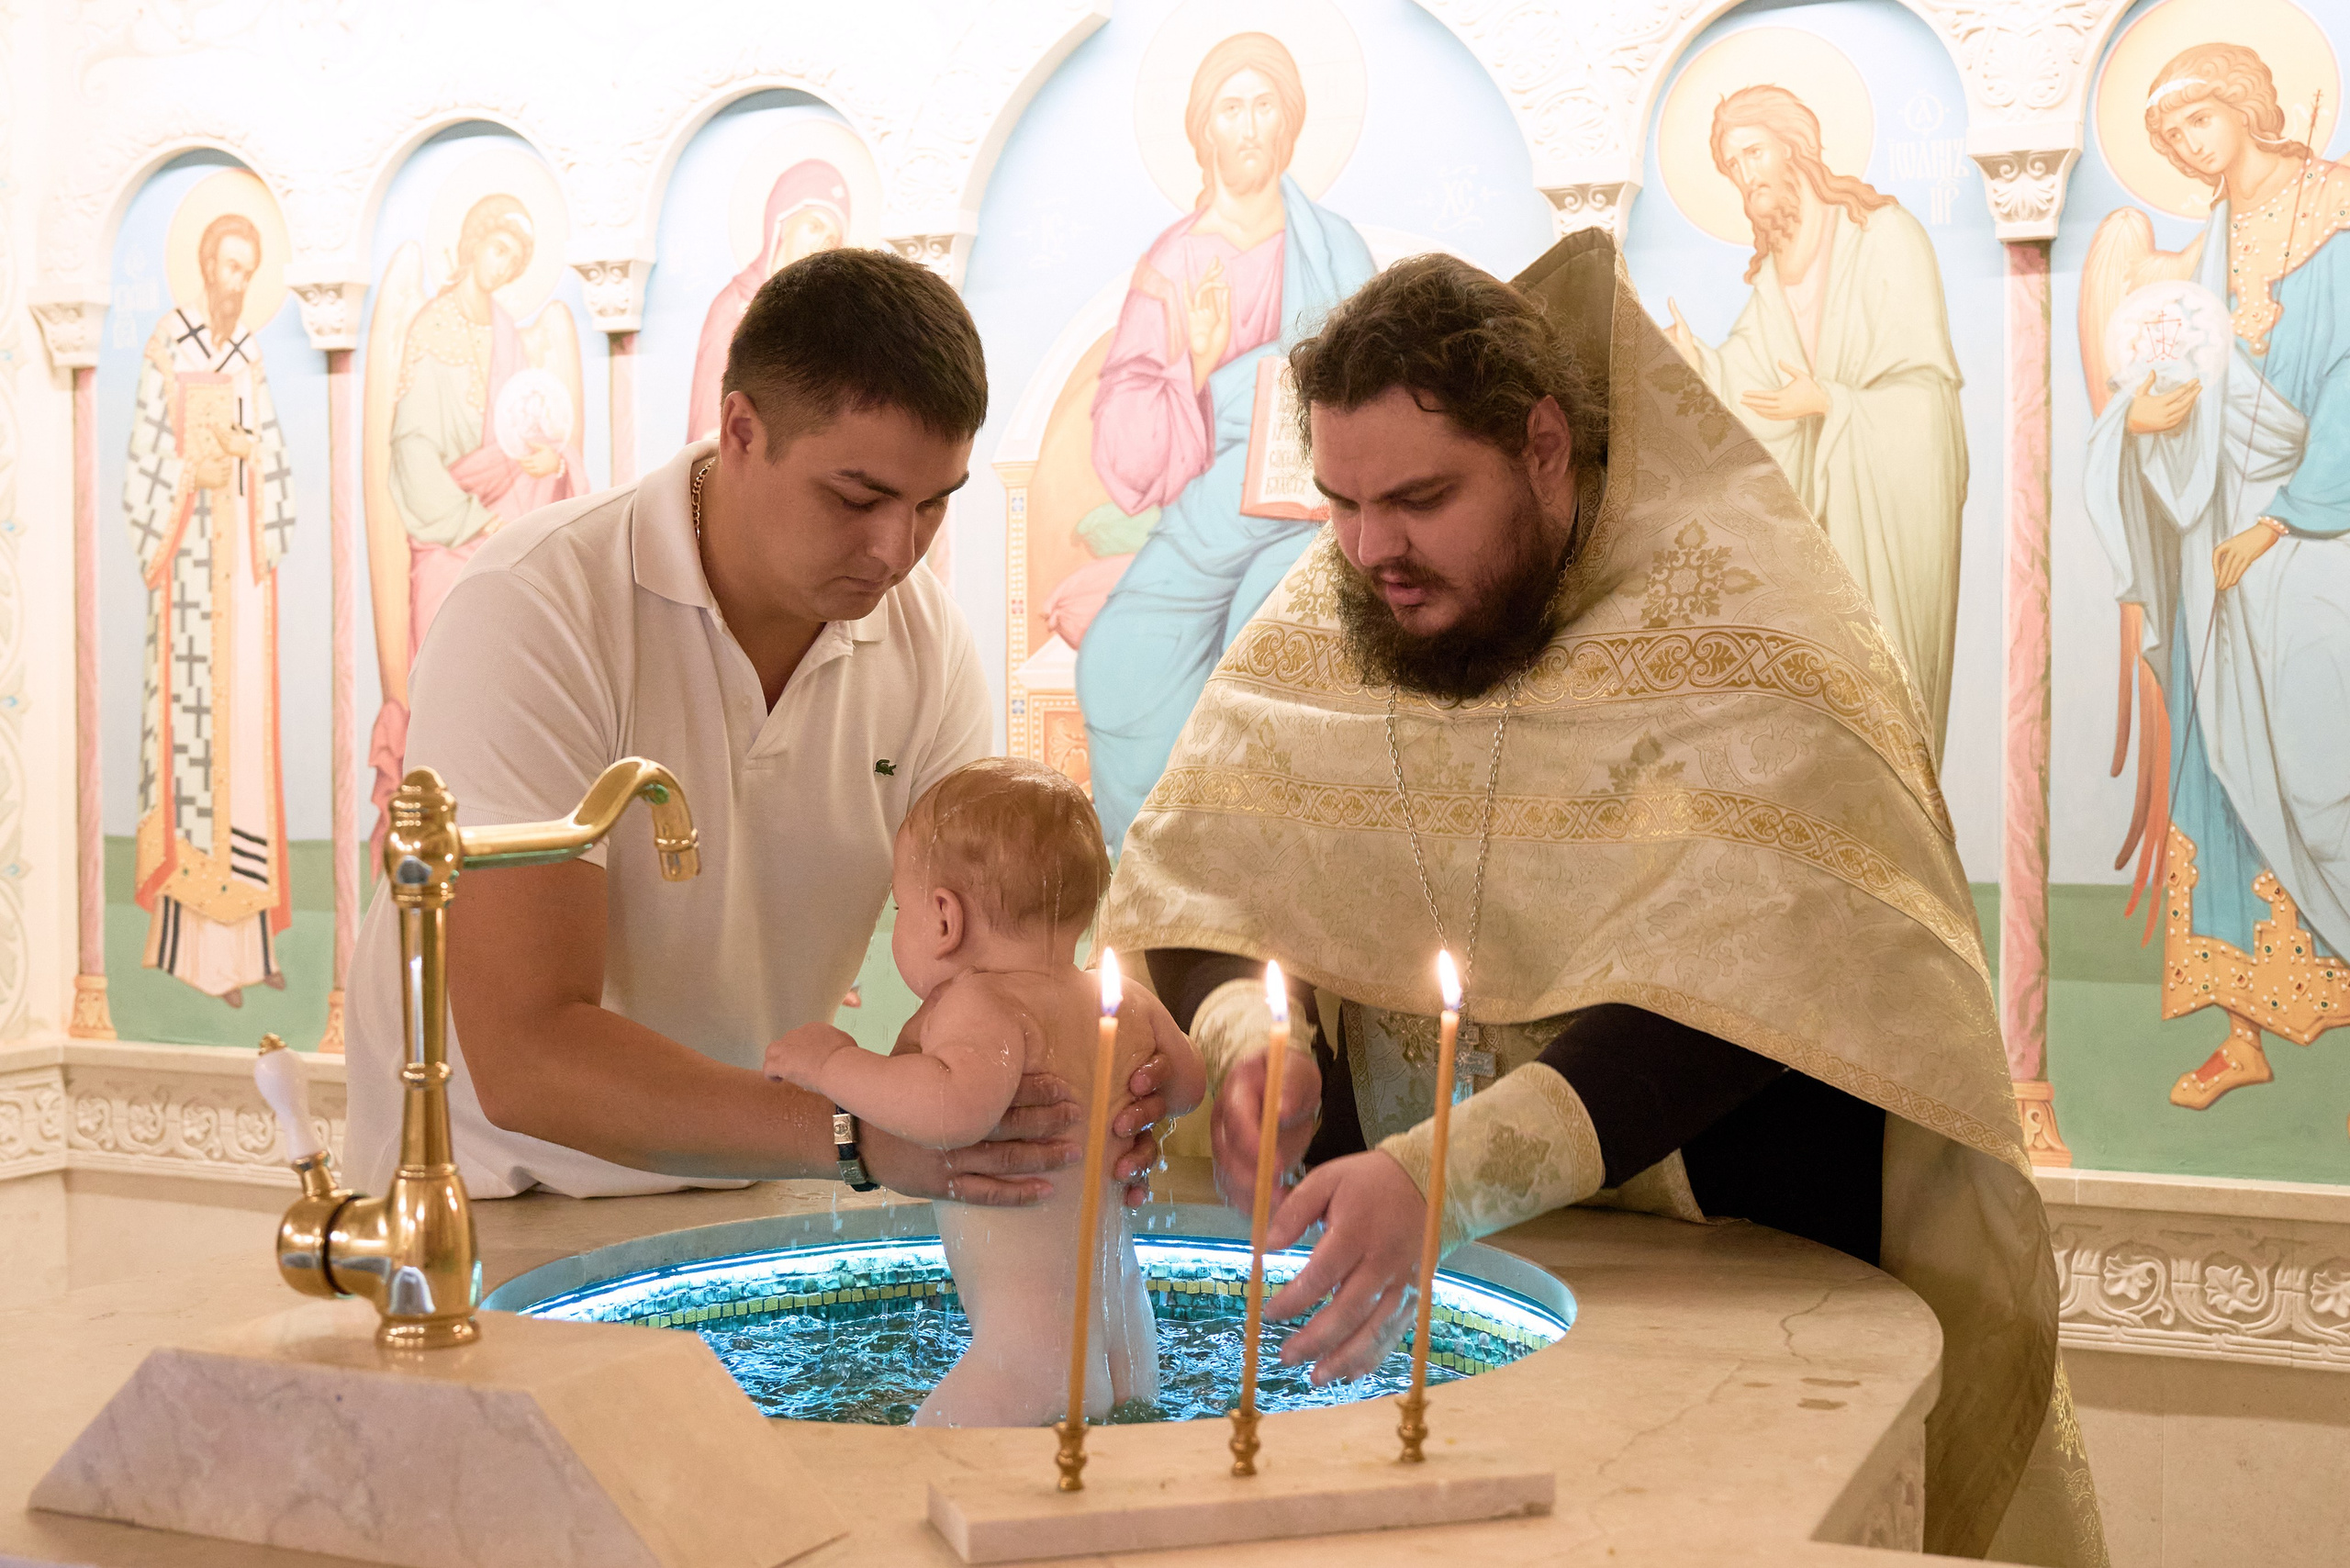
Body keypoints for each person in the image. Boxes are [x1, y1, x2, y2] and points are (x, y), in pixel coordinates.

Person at [1101, 241, 2104, 1564]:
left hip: (1731, 1289)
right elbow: (1202, 902)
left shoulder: (1752, 619)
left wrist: (1445, 1174)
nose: (1370, 552)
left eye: (1420, 498)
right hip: (1400, 1311)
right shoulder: (1326, 621)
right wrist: (1247, 1047)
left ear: (1546, 447)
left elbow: (1770, 976)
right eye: (1340, 504)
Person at [344, 249, 1173, 1208]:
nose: (896, 551)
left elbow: (984, 973)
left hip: (751, 1187)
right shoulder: (535, 608)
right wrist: (861, 1137)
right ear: (741, 429)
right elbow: (527, 1054)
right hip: (490, 1210)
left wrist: (1081, 1073)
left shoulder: (926, 649)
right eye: (857, 498)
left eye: (932, 505)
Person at [766, 758, 1203, 1426]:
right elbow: (1189, 1083)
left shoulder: (980, 1003)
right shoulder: (1119, 1001)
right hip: (1126, 1343)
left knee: (916, 1477)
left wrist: (834, 1064)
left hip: (1028, 1362)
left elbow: (950, 1110)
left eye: (899, 907)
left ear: (943, 919)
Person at [1075, 30, 1375, 850]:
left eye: (1264, 104)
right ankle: (1148, 879)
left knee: (1262, 638)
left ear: (1290, 123)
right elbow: (1124, 437)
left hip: (1319, 511)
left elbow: (1384, 388)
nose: (1247, 125)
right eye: (1230, 108)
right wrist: (1195, 370)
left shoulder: (1335, 249)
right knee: (1112, 659)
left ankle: (1245, 872)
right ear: (1203, 131)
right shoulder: (1172, 262)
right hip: (1209, 508)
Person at [1662, 84, 1965, 759]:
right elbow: (1755, 382)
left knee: (1885, 704)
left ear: (1794, 146)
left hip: (1885, 511)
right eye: (1731, 164)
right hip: (1817, 536)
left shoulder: (1885, 236)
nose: (1744, 175)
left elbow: (1927, 391)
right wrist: (1700, 365)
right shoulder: (1774, 269)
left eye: (1752, 152)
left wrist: (1833, 402)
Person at [124, 208, 297, 1006]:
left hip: (244, 585)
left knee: (246, 764)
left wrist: (250, 458)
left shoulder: (250, 353)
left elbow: (272, 451)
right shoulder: (168, 345)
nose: (238, 284)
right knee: (197, 759)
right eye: (229, 267)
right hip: (191, 579)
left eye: (248, 271)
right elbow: (144, 459)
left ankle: (251, 951)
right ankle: (194, 958)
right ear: (203, 268)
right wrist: (192, 466)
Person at [688, 159, 850, 443]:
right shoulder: (733, 308)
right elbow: (710, 431)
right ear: (783, 223)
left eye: (832, 239)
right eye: (813, 227)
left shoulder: (828, 320)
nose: (821, 245)